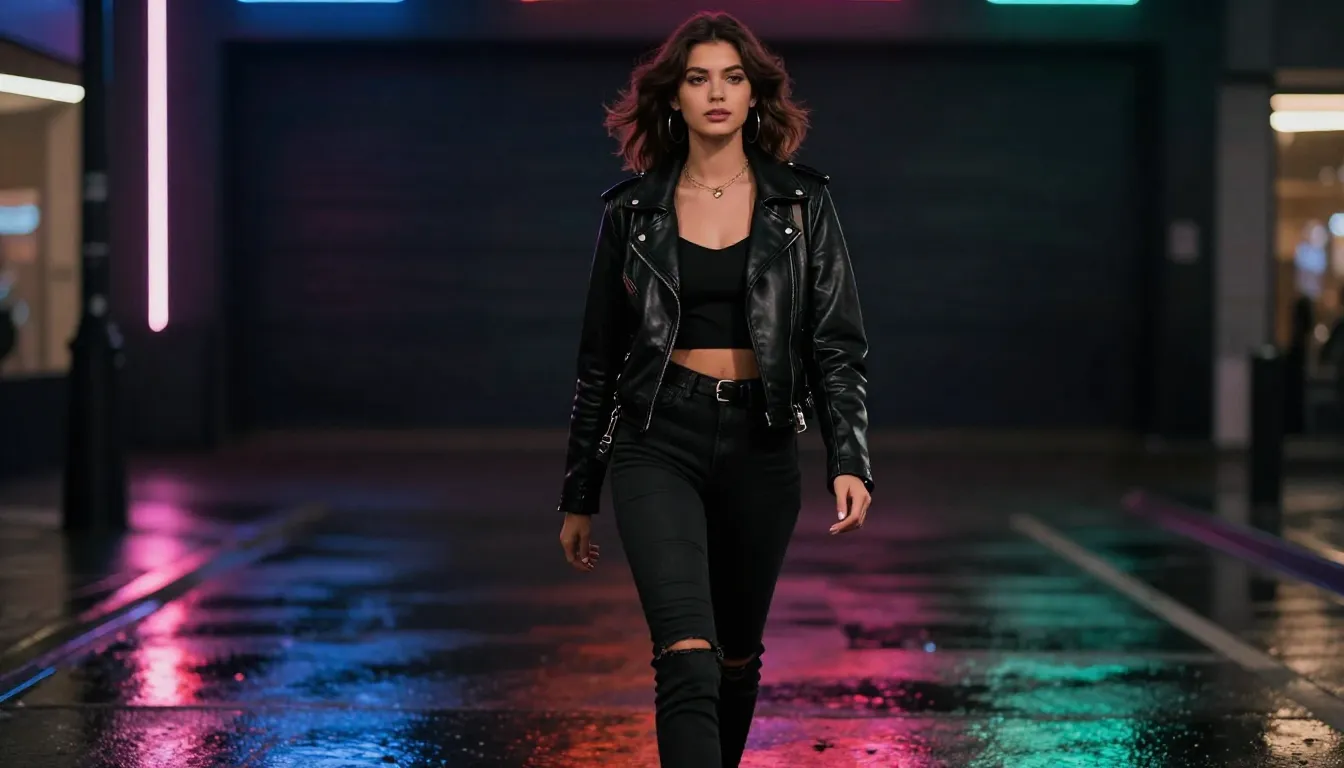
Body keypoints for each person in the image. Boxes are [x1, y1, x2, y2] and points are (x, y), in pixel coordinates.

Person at [555, 11, 873, 767]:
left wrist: (849, 458)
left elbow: (836, 343)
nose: (717, 93)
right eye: (699, 79)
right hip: (657, 438)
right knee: (687, 656)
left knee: (733, 659)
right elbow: (599, 362)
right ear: (675, 97)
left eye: (733, 78)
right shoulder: (632, 212)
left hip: (763, 444)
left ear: (755, 94)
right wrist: (579, 493)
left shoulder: (802, 205)